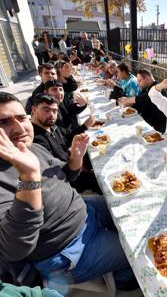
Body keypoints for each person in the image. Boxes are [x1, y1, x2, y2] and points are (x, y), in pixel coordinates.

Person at [0, 92, 138, 291]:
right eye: (4, 122)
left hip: (86, 211)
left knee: (128, 205)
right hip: (68, 251)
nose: (19, 127)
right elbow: (14, 248)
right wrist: (29, 177)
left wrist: (75, 159)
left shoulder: (33, 148)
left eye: (21, 118)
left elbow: (64, 175)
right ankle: (122, 279)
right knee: (136, 252)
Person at [30, 93, 101, 193]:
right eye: (46, 110)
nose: (51, 114)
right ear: (34, 109)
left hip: (72, 161)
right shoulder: (35, 141)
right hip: (67, 180)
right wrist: (77, 160)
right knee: (102, 180)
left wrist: (72, 153)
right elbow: (62, 174)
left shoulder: (52, 126)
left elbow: (65, 143)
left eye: (54, 111)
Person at [118, 69, 167, 133]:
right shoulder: (147, 88)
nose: (138, 84)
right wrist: (131, 104)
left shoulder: (158, 88)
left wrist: (127, 100)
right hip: (145, 122)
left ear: (147, 78)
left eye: (139, 81)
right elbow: (140, 101)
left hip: (157, 127)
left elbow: (146, 98)